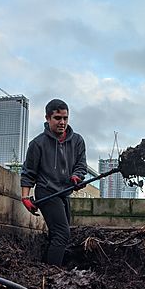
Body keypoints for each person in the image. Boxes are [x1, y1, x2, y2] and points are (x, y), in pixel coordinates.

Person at [20, 99, 87, 266]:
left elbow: (81, 165)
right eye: (57, 118)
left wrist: (76, 177)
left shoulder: (77, 141)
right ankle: (53, 273)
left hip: (64, 192)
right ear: (47, 118)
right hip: (47, 190)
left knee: (60, 233)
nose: (62, 122)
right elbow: (29, 172)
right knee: (62, 234)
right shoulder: (37, 144)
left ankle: (48, 264)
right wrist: (25, 197)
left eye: (65, 118)